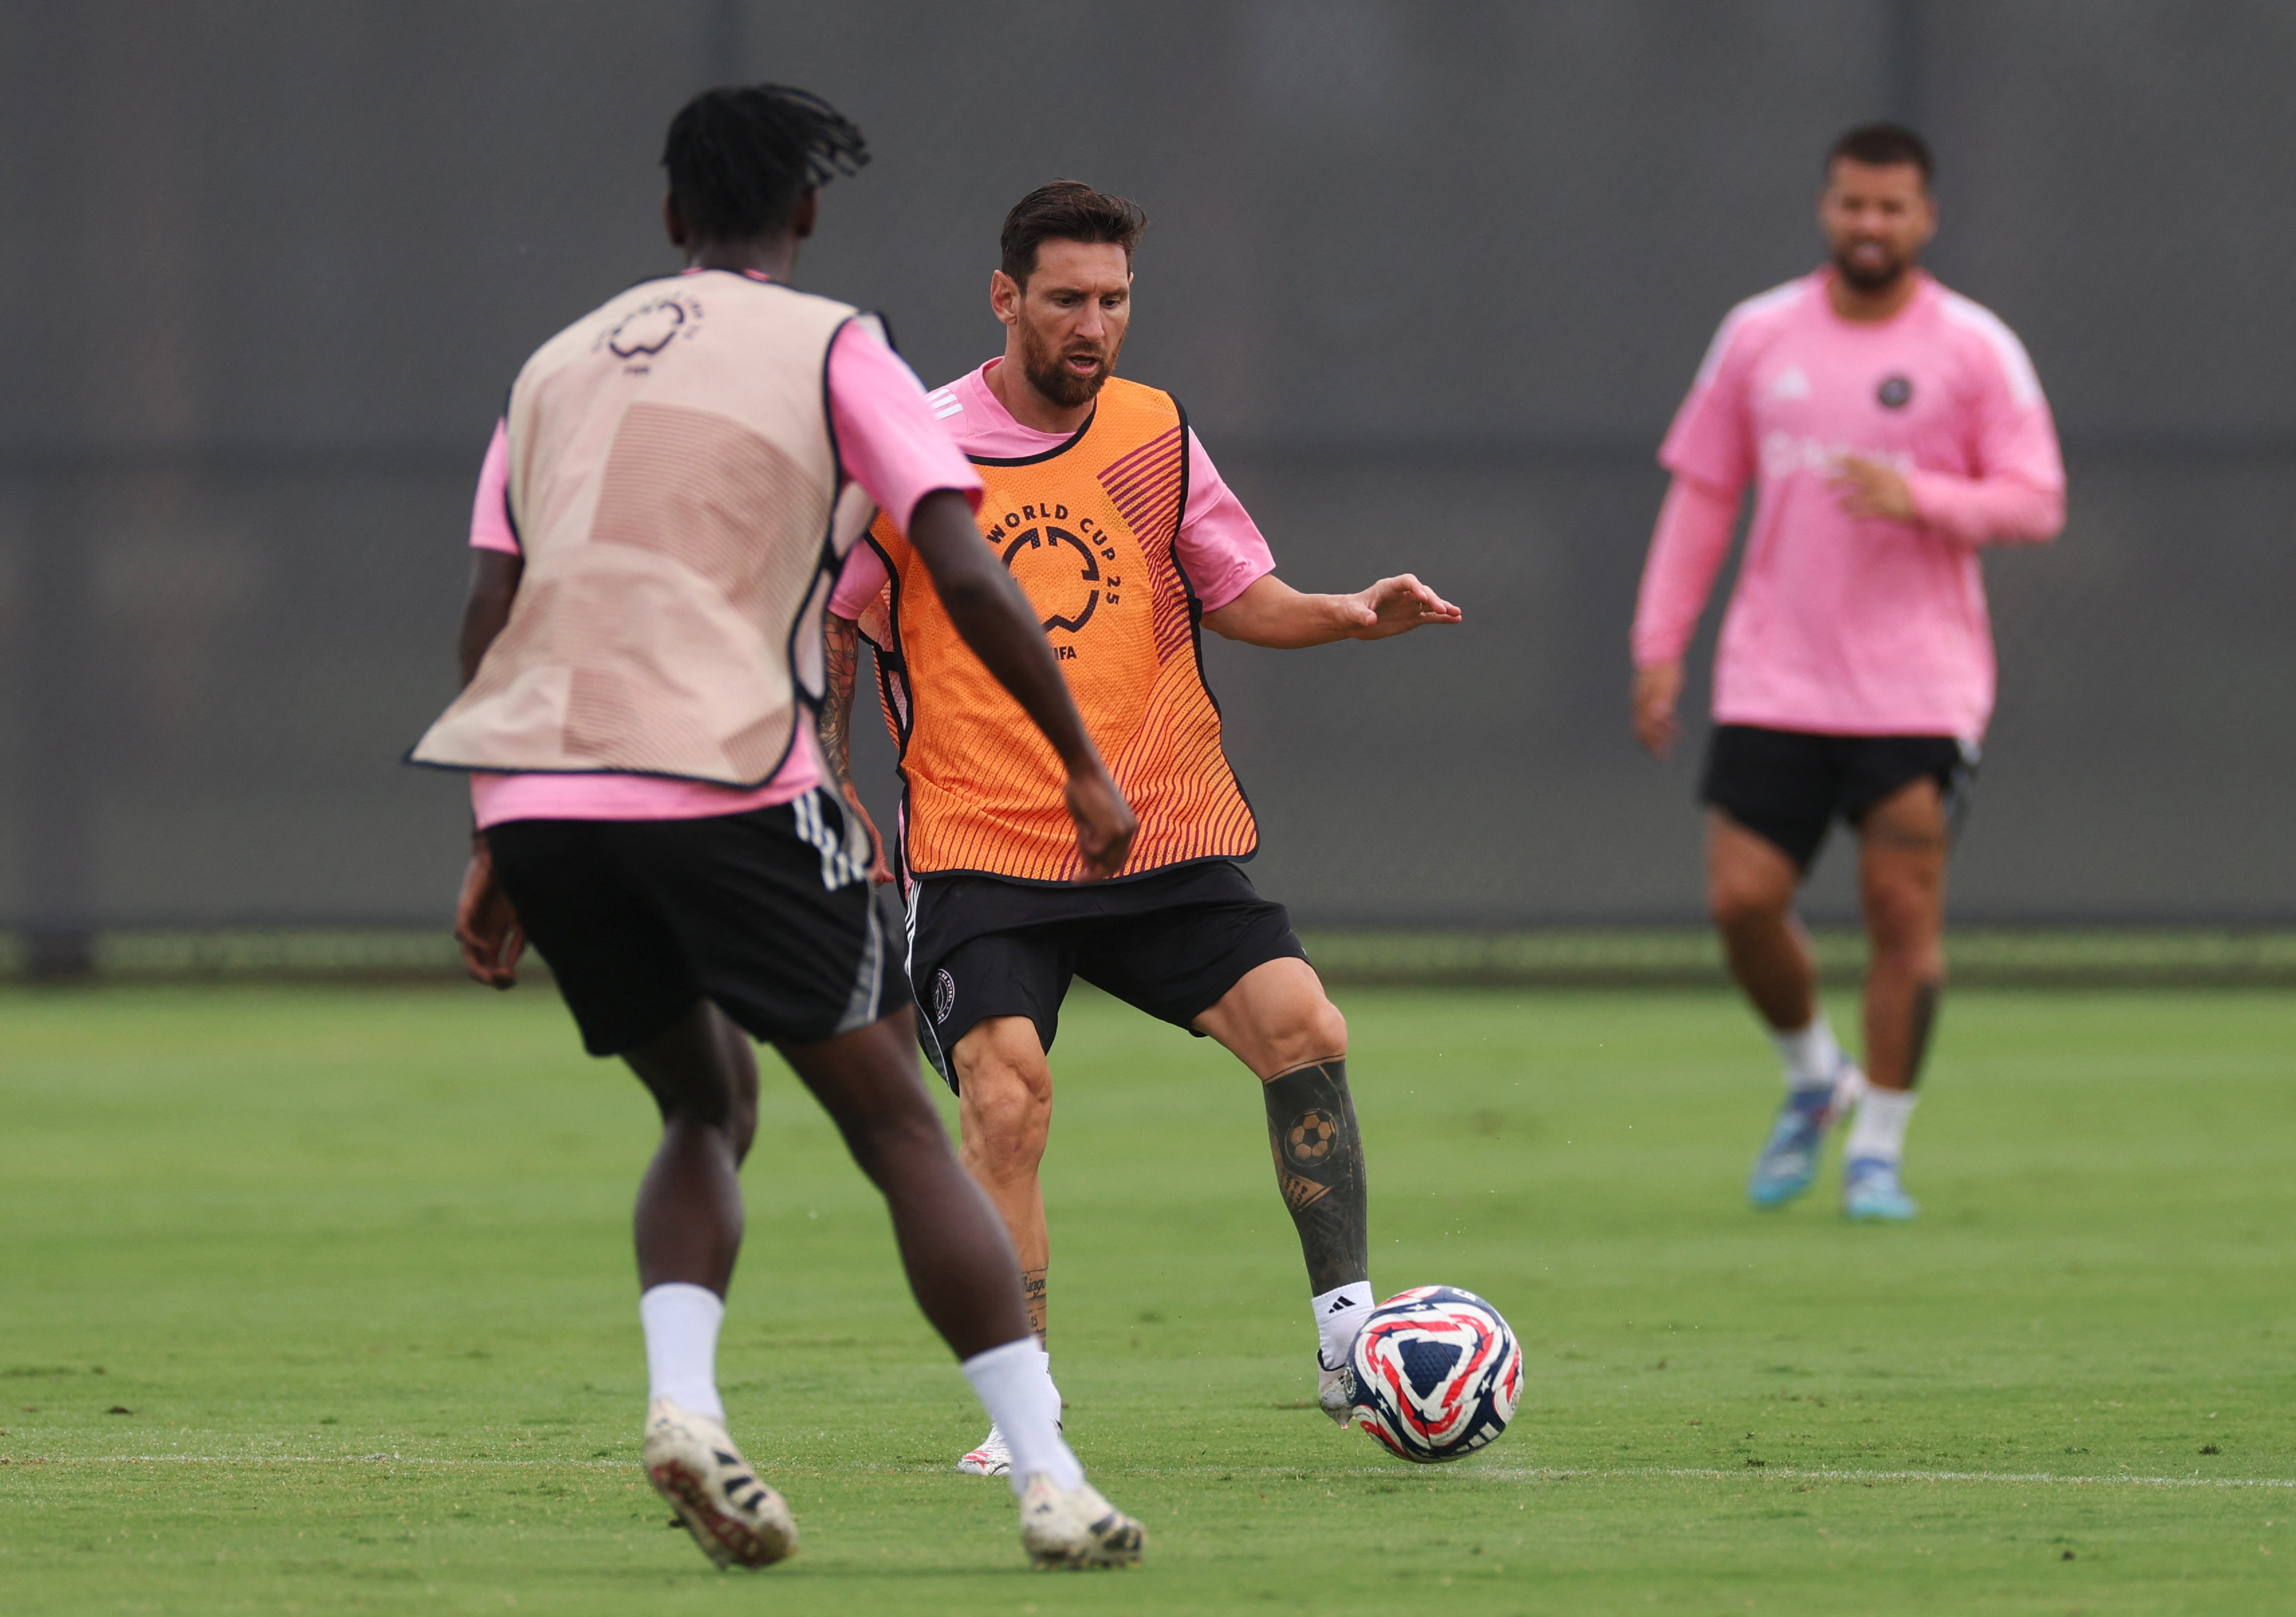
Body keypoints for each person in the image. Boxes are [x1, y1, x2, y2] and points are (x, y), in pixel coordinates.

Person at [408, 88, 1145, 1570]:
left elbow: (496, 609)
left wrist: (497, 838)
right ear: (803, 218)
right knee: (891, 1118)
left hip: (547, 792)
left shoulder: (552, 366)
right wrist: (1080, 754)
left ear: (673, 217)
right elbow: (960, 559)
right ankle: (1051, 1478)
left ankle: (685, 1402)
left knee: (705, 1105)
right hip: (727, 777)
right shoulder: (834, 348)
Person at [818, 181, 1461, 1476]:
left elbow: (1236, 590)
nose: (1093, 325)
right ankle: (1025, 1407)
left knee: (1306, 1029)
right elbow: (837, 616)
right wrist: (831, 771)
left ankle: (1350, 1342)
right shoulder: (917, 443)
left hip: (1156, 826)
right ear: (1005, 298)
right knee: (1007, 1097)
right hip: (986, 842)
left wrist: (1348, 612)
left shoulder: (1154, 431)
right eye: (1065, 299)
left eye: (1112, 300)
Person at [1629, 123, 2064, 1221]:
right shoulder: (1756, 335)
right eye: (1851, 205)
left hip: (1918, 687)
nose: (1869, 225)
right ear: (1826, 209)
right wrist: (1658, 645)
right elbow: (1699, 493)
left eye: (1891, 208)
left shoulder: (1973, 348)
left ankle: (1877, 1149)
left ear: (1925, 218)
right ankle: (1814, 1078)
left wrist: (1922, 494)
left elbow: (2035, 498)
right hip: (1774, 676)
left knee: (1896, 909)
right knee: (1741, 900)